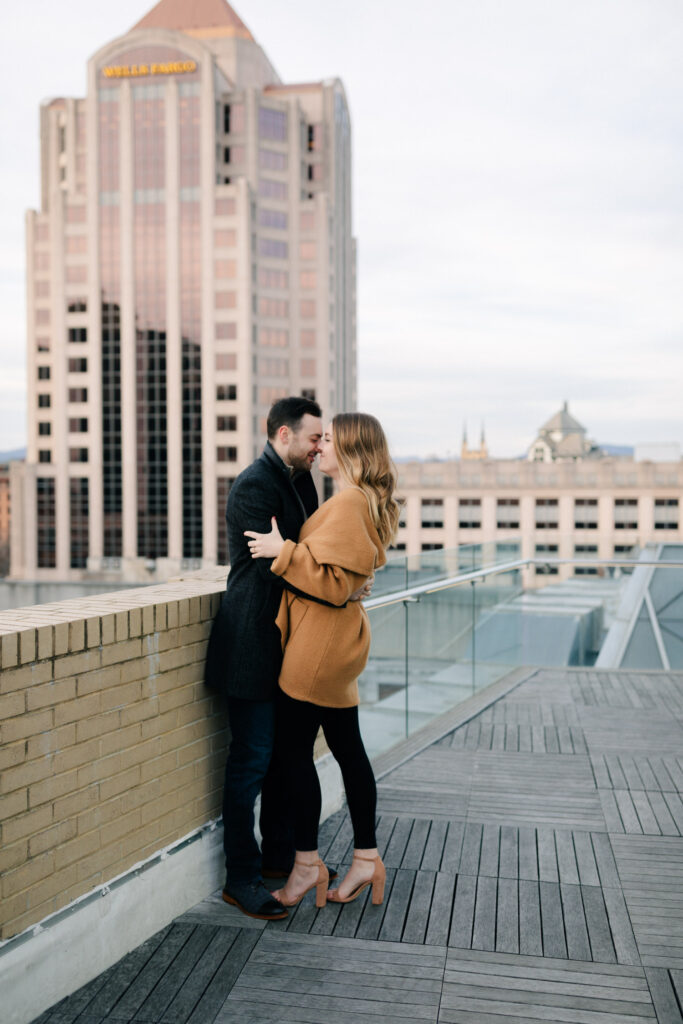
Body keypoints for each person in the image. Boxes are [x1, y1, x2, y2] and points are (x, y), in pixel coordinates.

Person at [245, 412, 400, 908]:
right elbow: (347, 578)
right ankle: (364, 859)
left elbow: (334, 587)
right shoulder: (356, 501)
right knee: (348, 750)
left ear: (352, 450)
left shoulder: (350, 502)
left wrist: (281, 551)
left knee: (293, 757)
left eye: (329, 440)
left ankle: (307, 865)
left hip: (319, 646)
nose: (320, 447)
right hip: (336, 642)